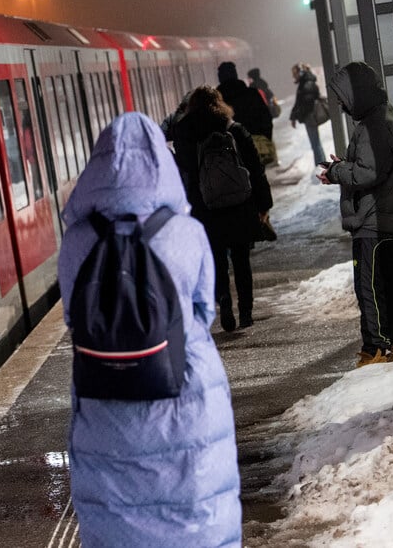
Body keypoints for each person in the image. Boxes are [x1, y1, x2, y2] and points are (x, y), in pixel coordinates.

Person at [58, 111, 240, 547]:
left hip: (105, 400)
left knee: (116, 516)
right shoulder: (186, 231)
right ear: (162, 163)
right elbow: (203, 310)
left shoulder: (77, 240)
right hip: (186, 394)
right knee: (196, 513)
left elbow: (73, 317)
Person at [318, 61, 393, 367]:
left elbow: (367, 172)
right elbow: (372, 165)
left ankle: (375, 347)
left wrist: (336, 171)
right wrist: (346, 164)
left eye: (343, 98)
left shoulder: (373, 125)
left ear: (356, 94)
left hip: (373, 220)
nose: (342, 105)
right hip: (388, 217)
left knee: (369, 287)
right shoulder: (386, 118)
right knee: (390, 283)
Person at [173, 86, 273, 332]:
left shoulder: (185, 133)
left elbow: (181, 172)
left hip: (205, 208)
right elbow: (255, 168)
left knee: (216, 260)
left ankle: (224, 300)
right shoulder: (234, 130)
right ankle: (246, 312)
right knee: (241, 260)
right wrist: (264, 204)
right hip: (239, 205)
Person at [217, 61, 273, 140]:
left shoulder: (217, 102)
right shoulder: (252, 94)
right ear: (235, 75)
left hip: (232, 148)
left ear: (220, 78)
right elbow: (266, 117)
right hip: (257, 142)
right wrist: (265, 138)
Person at [289, 62, 327, 166]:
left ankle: (320, 165)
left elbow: (305, 103)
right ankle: (321, 164)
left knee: (315, 143)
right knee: (315, 143)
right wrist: (293, 116)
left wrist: (298, 114)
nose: (293, 76)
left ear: (301, 72)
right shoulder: (305, 83)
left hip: (310, 117)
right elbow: (299, 102)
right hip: (309, 116)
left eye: (295, 73)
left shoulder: (307, 84)